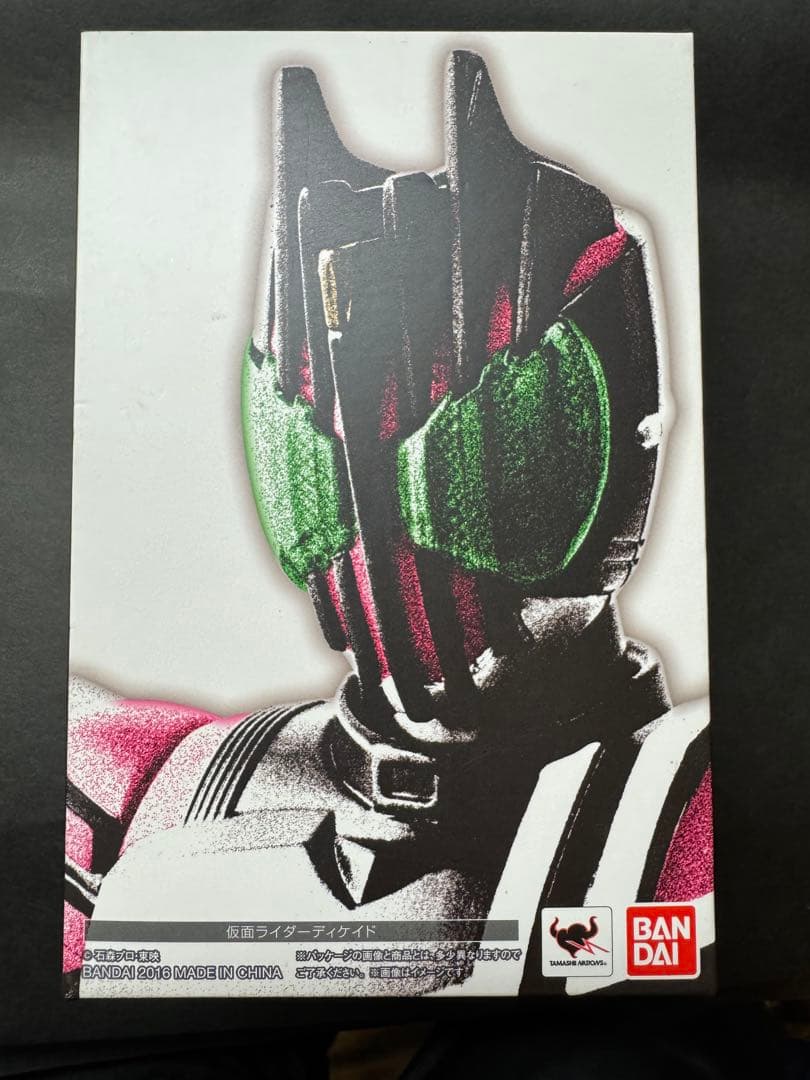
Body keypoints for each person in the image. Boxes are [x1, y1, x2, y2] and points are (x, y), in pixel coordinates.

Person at [64, 50, 712, 1000]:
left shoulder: (700, 819)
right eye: (337, 434)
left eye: (478, 438)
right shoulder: (141, 786)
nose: (385, 510)